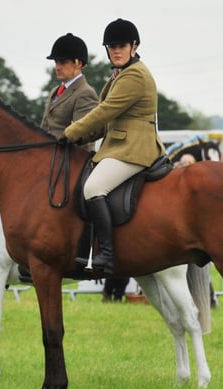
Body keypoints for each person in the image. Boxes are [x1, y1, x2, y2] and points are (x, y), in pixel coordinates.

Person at [62, 18, 165, 274]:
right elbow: (107, 121)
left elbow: (105, 111)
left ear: (134, 45)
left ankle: (107, 256)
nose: (116, 50)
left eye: (121, 45)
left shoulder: (136, 76)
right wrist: (77, 139)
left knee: (94, 187)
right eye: (111, 46)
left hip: (134, 148)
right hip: (118, 145)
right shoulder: (120, 74)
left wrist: (70, 132)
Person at [41, 33, 99, 152]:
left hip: (70, 161)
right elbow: (43, 129)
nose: (57, 67)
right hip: (48, 157)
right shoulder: (54, 91)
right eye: (56, 62)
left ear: (79, 64)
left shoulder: (85, 93)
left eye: (63, 62)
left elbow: (82, 137)